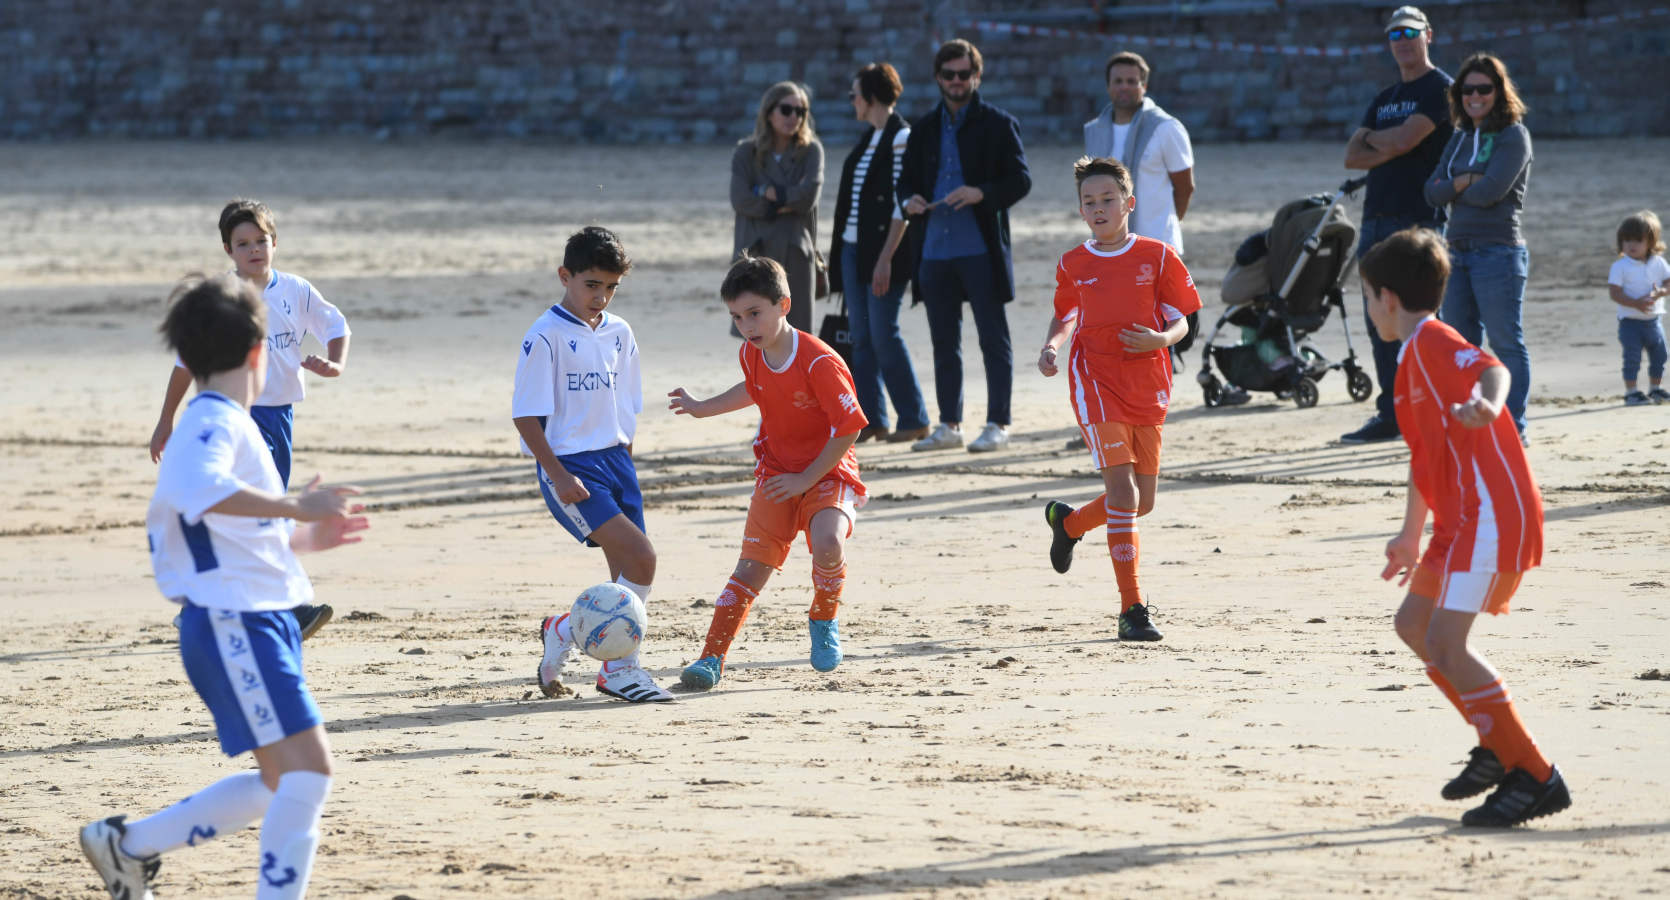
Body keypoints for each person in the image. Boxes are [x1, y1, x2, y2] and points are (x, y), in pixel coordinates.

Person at [81, 273, 368, 899]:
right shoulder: (212, 423)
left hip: (249, 617)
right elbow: (195, 491)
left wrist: (300, 541)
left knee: (281, 783)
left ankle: (126, 846)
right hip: (234, 622)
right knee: (310, 775)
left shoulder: (223, 422)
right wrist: (296, 507)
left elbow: (225, 528)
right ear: (259, 355)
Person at [1365, 227, 1571, 828]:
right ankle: (1495, 745)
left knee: (1447, 644)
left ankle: (1534, 773)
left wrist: (1489, 404)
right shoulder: (1410, 356)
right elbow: (1423, 456)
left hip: (1490, 513)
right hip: (1456, 519)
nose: (1371, 308)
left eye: (1369, 298)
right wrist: (1409, 534)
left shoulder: (1431, 340)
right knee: (1414, 626)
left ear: (1388, 298)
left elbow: (1491, 368)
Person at [149, 200, 350, 642]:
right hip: (234, 414)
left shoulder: (295, 289)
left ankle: (205, 605)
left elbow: (335, 324)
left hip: (279, 414)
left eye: (261, 240)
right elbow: (185, 363)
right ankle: (288, 607)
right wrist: (165, 419)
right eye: (243, 244)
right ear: (228, 250)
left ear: (274, 242)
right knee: (263, 506)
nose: (254, 250)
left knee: (256, 508)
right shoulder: (222, 299)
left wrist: (335, 364)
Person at [668, 255, 867, 690]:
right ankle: (711, 659)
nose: (747, 326)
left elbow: (849, 428)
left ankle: (823, 617)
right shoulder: (751, 353)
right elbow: (752, 388)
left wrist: (806, 479)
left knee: (829, 543)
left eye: (754, 313)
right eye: (737, 317)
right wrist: (704, 407)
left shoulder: (818, 361)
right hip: (777, 473)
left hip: (828, 472)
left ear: (784, 305)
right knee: (749, 569)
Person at [1038, 157, 1201, 643]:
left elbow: (1182, 320)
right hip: (1095, 380)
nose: (1099, 208)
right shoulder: (1074, 263)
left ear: (1129, 203)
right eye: (1089, 202)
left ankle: (1068, 524)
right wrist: (1052, 346)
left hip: (1149, 382)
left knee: (1140, 502)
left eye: (1108, 199)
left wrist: (1161, 340)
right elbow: (1066, 315)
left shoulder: (1158, 255)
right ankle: (1132, 610)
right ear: (1081, 210)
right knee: (1124, 496)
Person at [515, 227, 672, 703]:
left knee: (621, 574)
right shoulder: (545, 336)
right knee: (643, 557)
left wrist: (626, 458)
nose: (600, 296)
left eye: (611, 287)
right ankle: (620, 669)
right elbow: (526, 416)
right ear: (566, 276)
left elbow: (627, 403)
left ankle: (563, 631)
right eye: (591, 285)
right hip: (570, 466)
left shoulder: (620, 333)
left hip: (616, 460)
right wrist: (559, 476)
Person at [897, 38, 1032, 453]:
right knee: (943, 342)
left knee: (993, 338)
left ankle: (998, 423)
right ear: (938, 77)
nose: (956, 82)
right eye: (949, 75)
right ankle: (949, 424)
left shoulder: (998, 122)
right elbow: (904, 183)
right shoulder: (921, 129)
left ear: (977, 75)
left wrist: (980, 193)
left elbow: (1020, 180)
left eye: (964, 74)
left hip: (980, 249)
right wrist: (908, 201)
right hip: (934, 249)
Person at [1341, 5, 1453, 444]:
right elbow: (1352, 155)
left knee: (1420, 319)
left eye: (1410, 31)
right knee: (1379, 319)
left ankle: (1433, 409)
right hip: (1376, 217)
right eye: (1395, 34)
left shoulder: (1440, 88)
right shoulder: (1384, 98)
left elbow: (1408, 140)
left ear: (1429, 35)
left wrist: (1384, 141)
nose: (1403, 40)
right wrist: (1388, 142)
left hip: (1418, 219)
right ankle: (1392, 413)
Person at [1423, 52, 1534, 441]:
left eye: (1483, 89)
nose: (1474, 96)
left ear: (1498, 92)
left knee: (1506, 342)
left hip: (1498, 252)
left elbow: (1491, 192)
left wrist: (1459, 186)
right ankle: (1469, 424)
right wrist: (1464, 181)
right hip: (1455, 253)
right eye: (1467, 89)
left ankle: (1513, 428)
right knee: (1462, 346)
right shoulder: (1457, 138)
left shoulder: (1513, 135)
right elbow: (1431, 193)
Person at [829, 62, 932, 445]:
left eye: (855, 94)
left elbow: (899, 203)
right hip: (853, 249)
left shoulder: (900, 136)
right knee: (861, 336)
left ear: (870, 97)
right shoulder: (869, 137)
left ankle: (914, 417)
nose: (852, 101)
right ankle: (871, 418)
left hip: (883, 250)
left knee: (884, 332)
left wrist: (886, 257)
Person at [730, 82, 824, 335]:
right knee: (754, 331)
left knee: (798, 336)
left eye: (801, 111)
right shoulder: (745, 153)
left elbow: (807, 197)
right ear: (769, 112)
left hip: (796, 254)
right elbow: (740, 199)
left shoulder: (811, 151)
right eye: (786, 109)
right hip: (756, 254)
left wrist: (769, 193)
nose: (794, 117)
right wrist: (782, 202)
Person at [1608, 210, 1670, 405]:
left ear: (1651, 242)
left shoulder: (1658, 263)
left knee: (1660, 355)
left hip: (1654, 321)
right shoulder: (1620, 266)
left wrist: (1659, 292)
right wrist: (1636, 303)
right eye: (1626, 240)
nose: (1631, 245)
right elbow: (1615, 293)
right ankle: (1631, 392)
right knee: (1632, 358)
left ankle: (1655, 388)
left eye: (1637, 240)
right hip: (1630, 323)